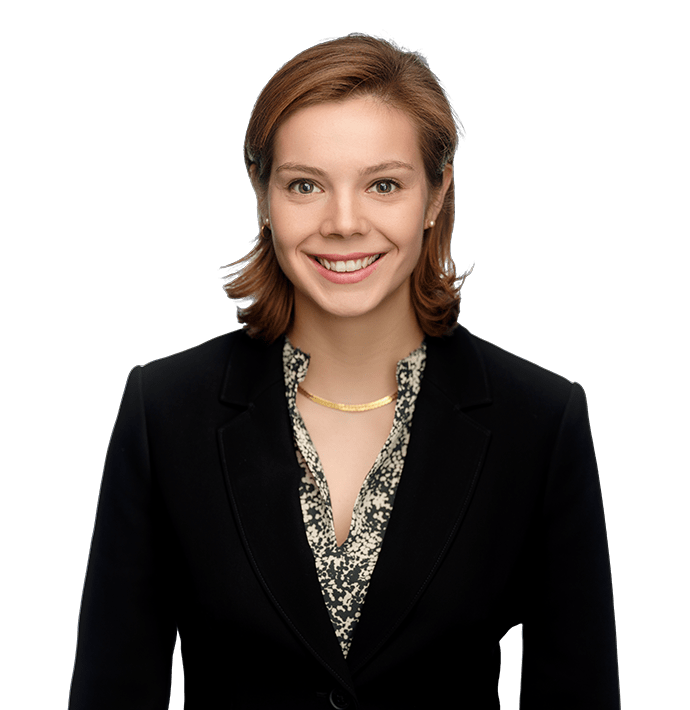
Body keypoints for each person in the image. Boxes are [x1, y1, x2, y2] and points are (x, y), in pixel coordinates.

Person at [68, 33, 619, 709]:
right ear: (263, 195)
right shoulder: (164, 410)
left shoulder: (540, 421)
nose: (344, 222)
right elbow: (113, 691)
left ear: (436, 195)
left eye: (384, 185)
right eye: (305, 185)